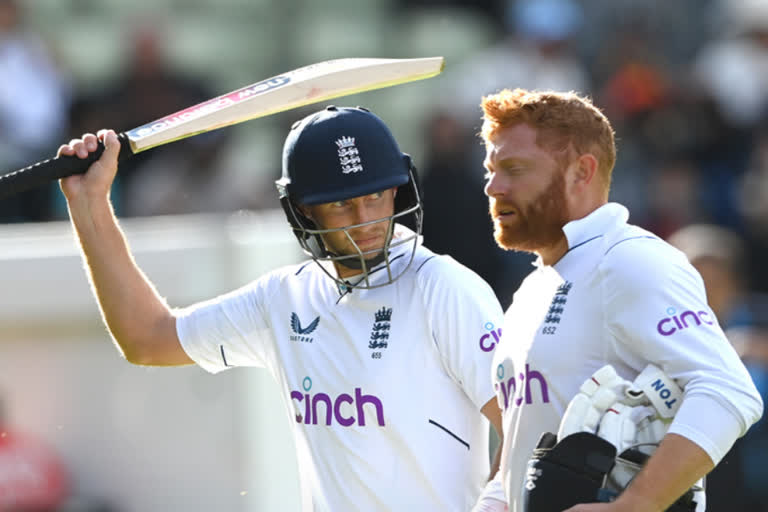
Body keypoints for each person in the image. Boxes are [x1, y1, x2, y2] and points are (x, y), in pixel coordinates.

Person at [57, 105, 506, 511]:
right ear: (303, 212)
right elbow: (147, 340)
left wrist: (494, 504)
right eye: (342, 205)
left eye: (376, 196)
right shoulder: (284, 299)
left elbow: (524, 422)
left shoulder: (446, 290)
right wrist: (89, 204)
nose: (366, 220)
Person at [479, 88, 763, 511]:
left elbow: (728, 390)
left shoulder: (629, 260)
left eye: (514, 169)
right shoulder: (532, 288)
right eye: (491, 169)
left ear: (582, 171)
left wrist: (635, 505)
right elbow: (526, 437)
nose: (492, 186)